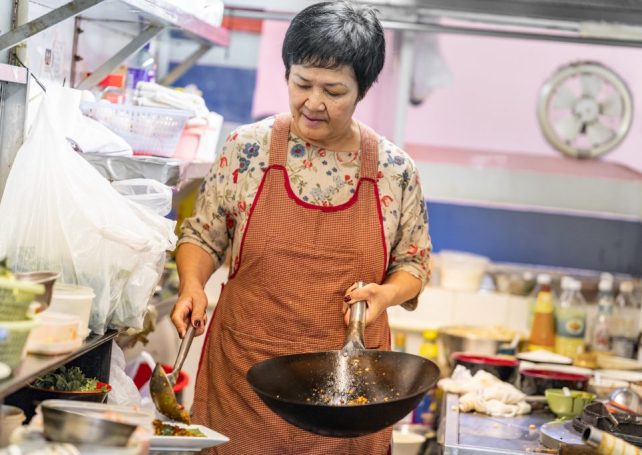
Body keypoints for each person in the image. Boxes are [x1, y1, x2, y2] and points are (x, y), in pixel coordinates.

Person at [171, 2, 431, 454]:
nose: (313, 103)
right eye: (301, 83)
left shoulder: (394, 170)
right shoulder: (246, 150)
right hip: (244, 382)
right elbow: (203, 235)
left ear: (362, 90)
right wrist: (191, 283)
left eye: (333, 90)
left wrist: (386, 295)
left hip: (347, 396)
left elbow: (414, 263)